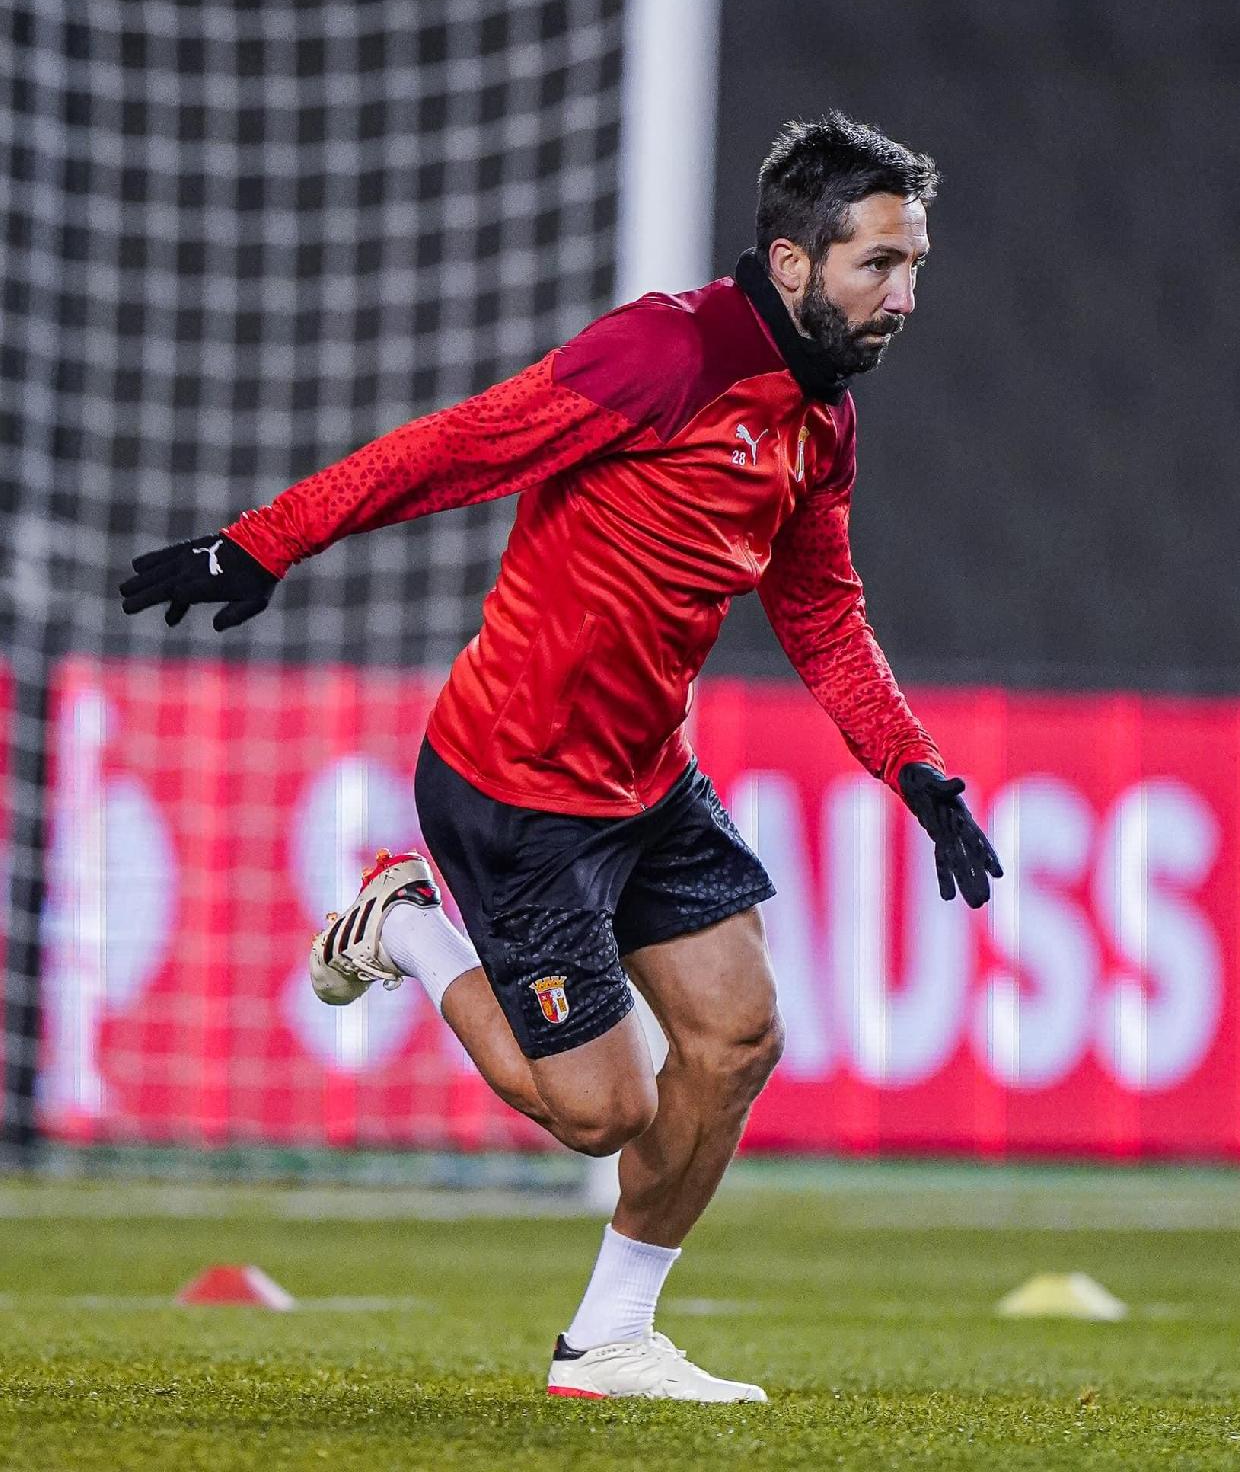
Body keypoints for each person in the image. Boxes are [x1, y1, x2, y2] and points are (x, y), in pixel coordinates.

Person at [120, 110, 1001, 1402]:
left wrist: (915, 770)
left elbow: (819, 610)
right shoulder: (666, 352)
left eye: (914, 264)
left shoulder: (821, 420)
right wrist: (265, 540)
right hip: (516, 785)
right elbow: (458, 446)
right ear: (794, 261)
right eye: (880, 263)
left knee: (738, 1039)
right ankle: (406, 921)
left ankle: (607, 1343)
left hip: (649, 780)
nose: (905, 295)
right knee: (603, 1113)